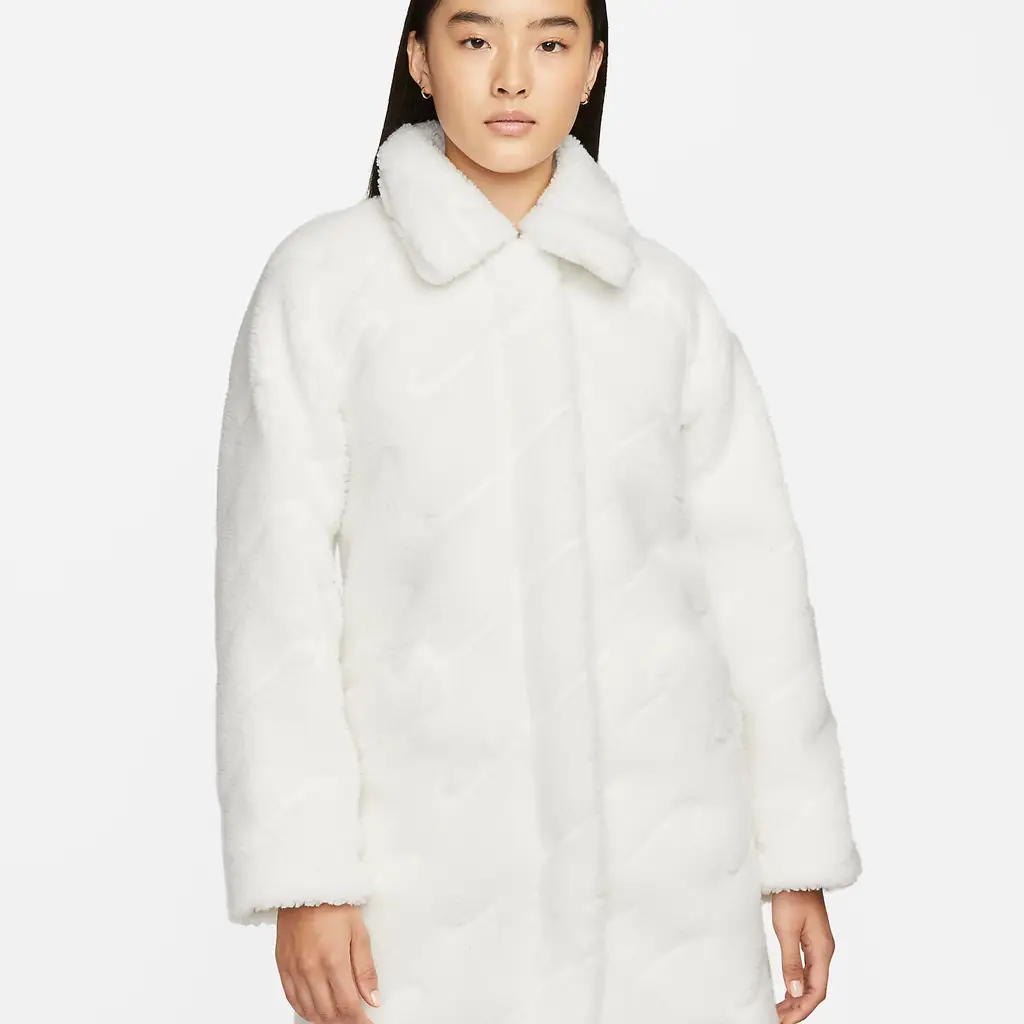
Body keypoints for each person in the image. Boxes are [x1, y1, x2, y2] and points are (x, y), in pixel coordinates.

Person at [213, 2, 863, 1023]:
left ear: (592, 65)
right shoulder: (326, 287)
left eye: (551, 42)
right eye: (476, 39)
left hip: (669, 893)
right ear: (420, 59)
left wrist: (794, 860)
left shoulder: (664, 301)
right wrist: (308, 879)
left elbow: (757, 589)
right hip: (426, 890)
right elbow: (277, 600)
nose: (512, 76)